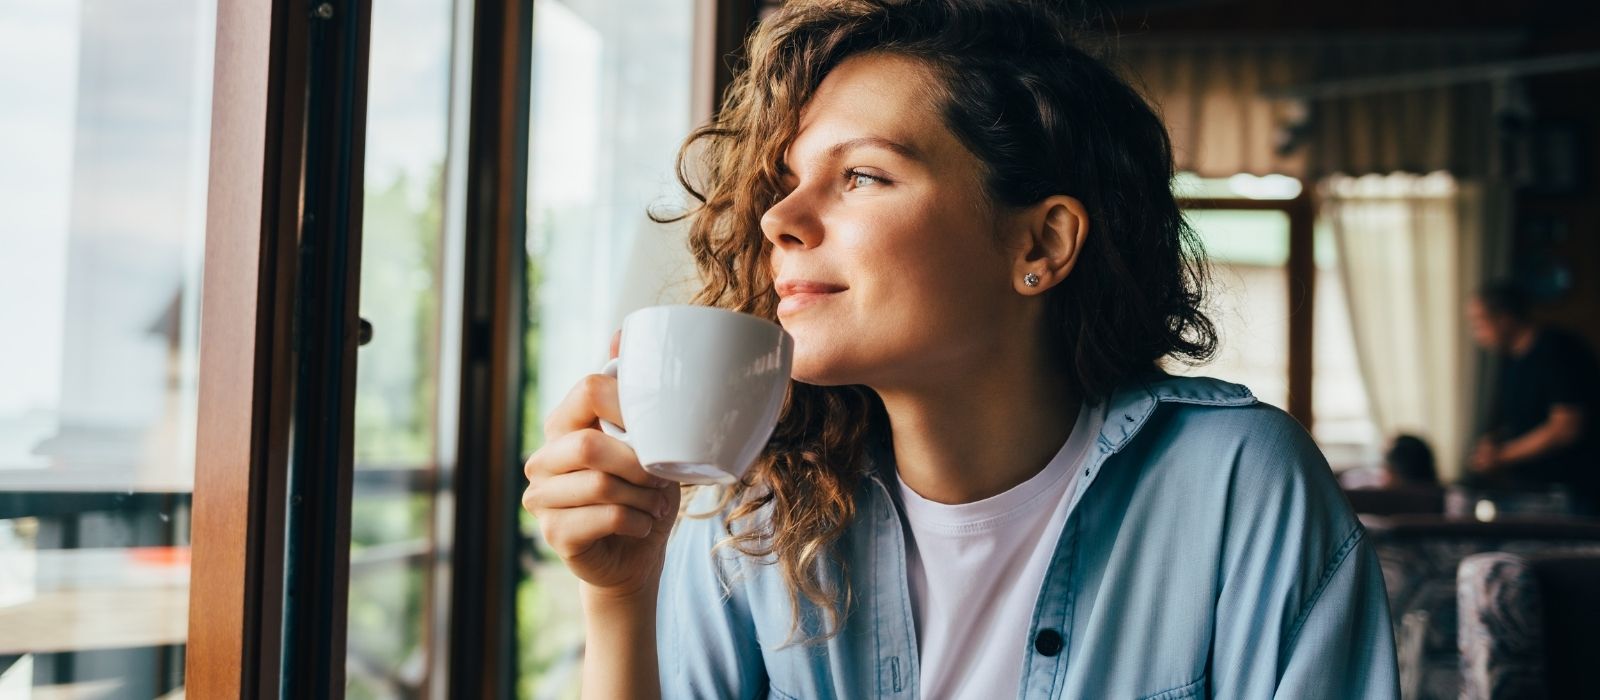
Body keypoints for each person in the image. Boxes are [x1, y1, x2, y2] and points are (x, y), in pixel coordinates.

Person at [522, 1, 1399, 697]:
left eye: (861, 175)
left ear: (1040, 245)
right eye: (788, 183)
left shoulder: (1238, 484)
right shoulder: (761, 513)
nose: (779, 220)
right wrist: (619, 597)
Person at [1467, 280, 1600, 514]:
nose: (1476, 333)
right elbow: (1524, 420)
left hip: (1571, 494)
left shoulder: (1557, 349)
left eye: (1479, 322)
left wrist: (1501, 456)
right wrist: (1493, 442)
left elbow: (1566, 427)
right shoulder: (1511, 361)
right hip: (1533, 490)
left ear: (1504, 318)